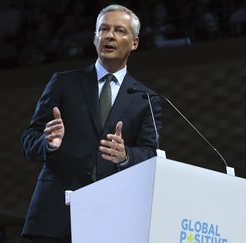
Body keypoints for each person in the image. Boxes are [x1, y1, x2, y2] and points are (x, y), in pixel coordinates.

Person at [21, 4, 162, 243]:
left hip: (111, 220)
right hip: (55, 217)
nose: (109, 35)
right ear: (95, 38)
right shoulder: (63, 83)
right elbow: (29, 139)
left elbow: (150, 153)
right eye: (103, 29)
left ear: (135, 43)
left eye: (120, 30)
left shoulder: (145, 99)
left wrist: (126, 155)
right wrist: (48, 143)